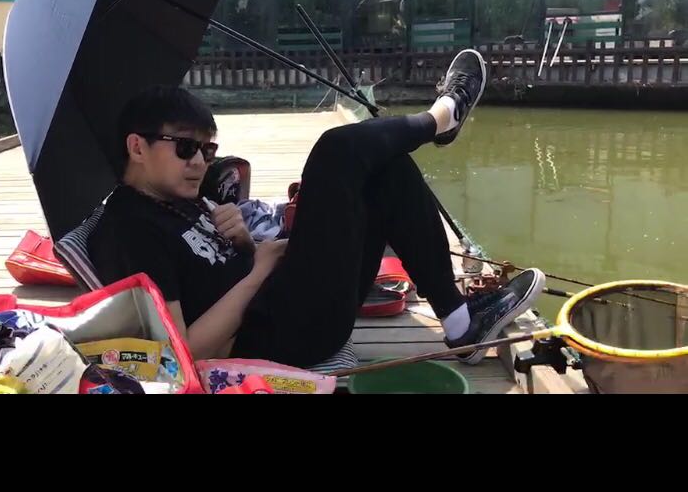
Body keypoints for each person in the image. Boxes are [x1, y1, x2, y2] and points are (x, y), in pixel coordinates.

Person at [89, 50, 545, 367]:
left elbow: (219, 270)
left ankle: (460, 324)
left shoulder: (178, 202)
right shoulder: (129, 228)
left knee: (385, 169)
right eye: (186, 147)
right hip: (280, 334)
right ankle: (441, 118)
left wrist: (246, 243)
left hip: (289, 293)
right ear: (137, 147)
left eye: (207, 151)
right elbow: (181, 351)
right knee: (334, 151)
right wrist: (258, 271)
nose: (199, 163)